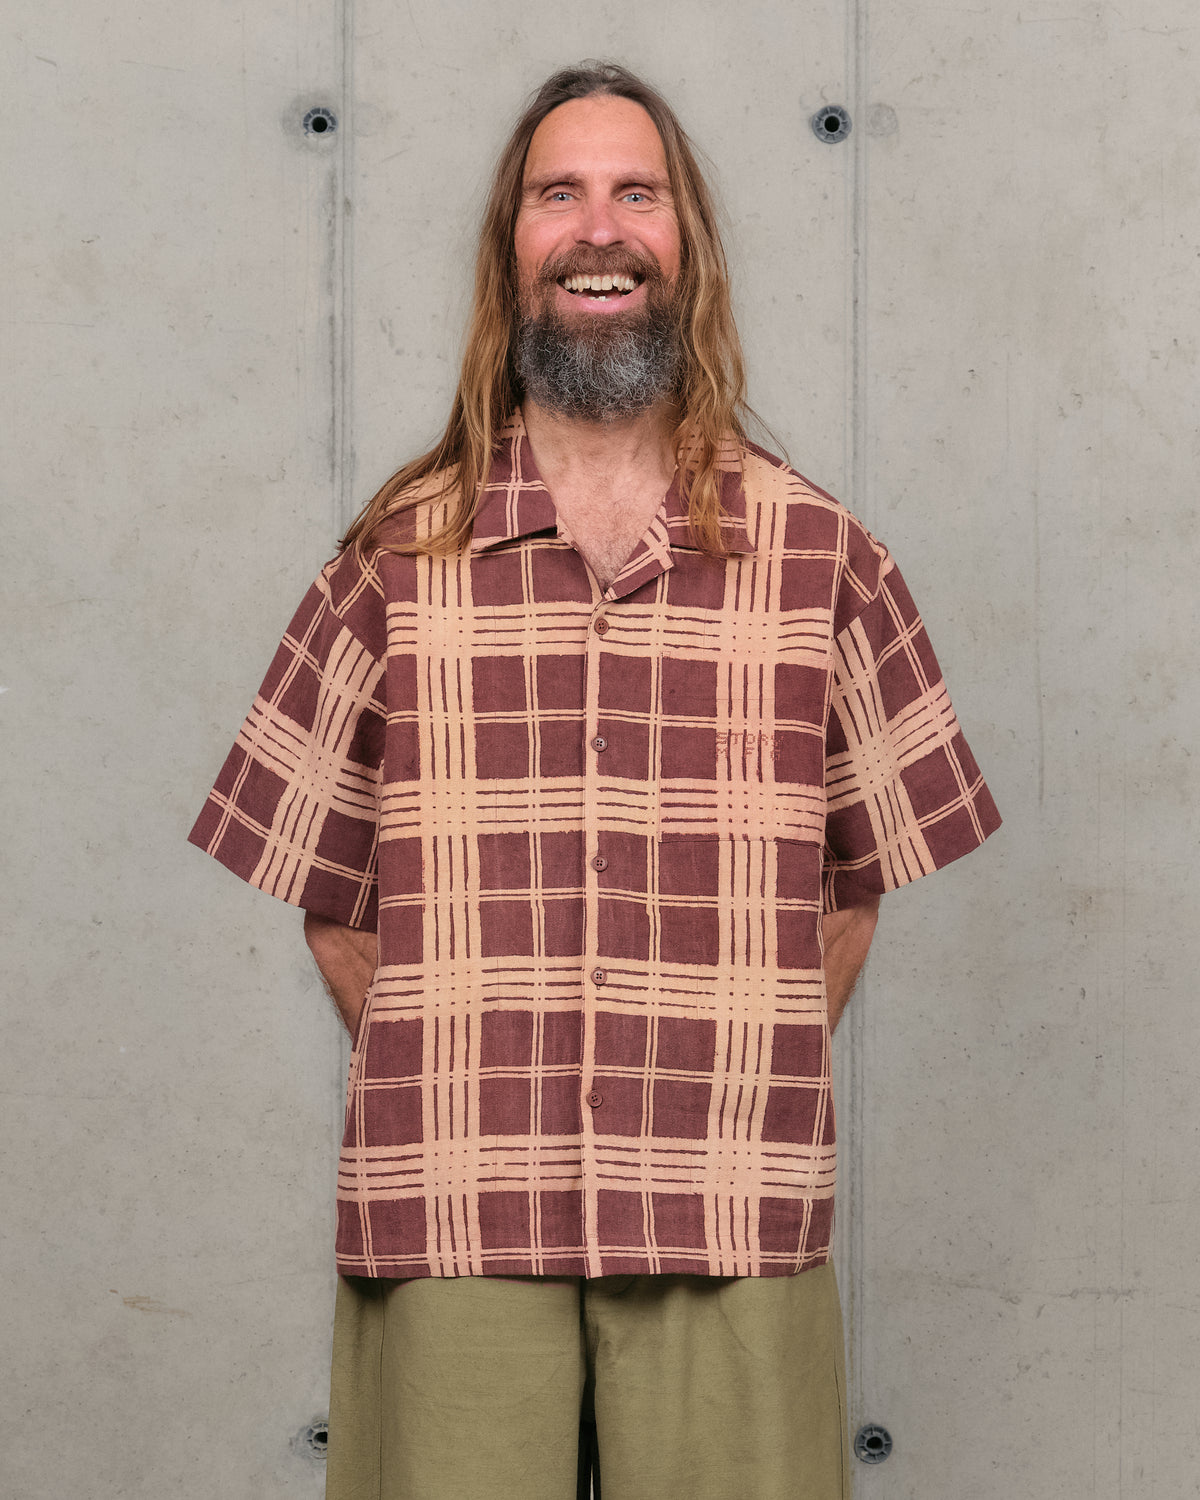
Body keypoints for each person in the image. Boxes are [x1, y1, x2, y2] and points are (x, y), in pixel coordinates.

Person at [189, 61, 1000, 1500]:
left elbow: (851, 893)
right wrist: (474, 1067)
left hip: (730, 1208)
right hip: (454, 1204)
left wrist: (718, 1071)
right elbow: (333, 906)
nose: (599, 227)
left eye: (639, 192)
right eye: (557, 194)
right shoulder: (392, 562)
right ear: (511, 248)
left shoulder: (825, 561)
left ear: (690, 244)